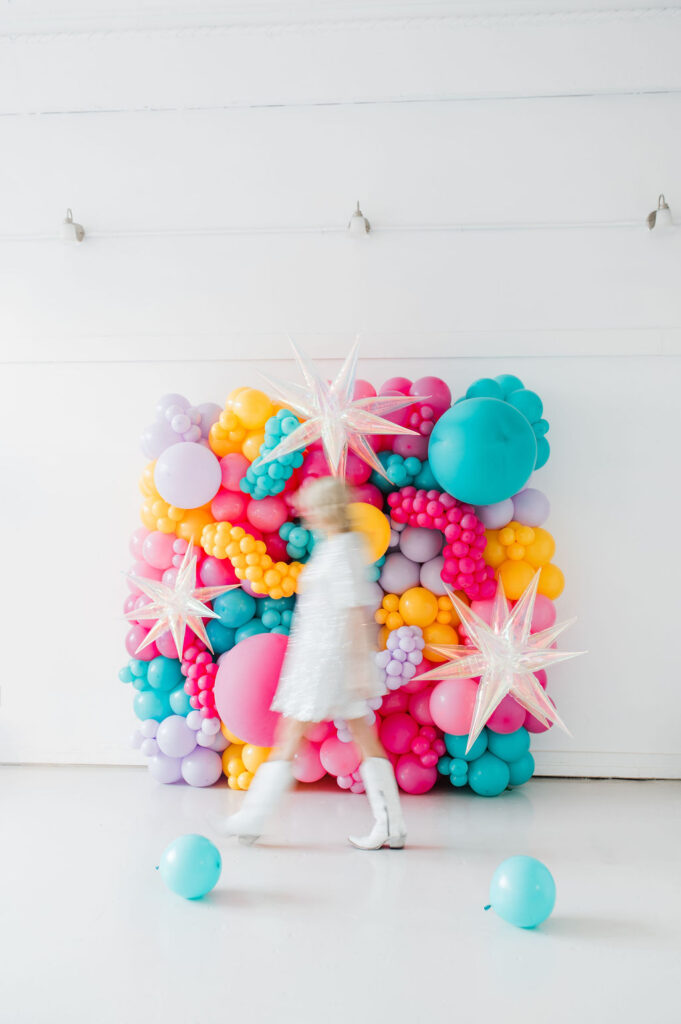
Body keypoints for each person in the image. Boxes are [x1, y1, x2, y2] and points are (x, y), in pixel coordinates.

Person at [212, 475, 406, 850]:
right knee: (359, 737)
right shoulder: (336, 547)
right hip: (322, 658)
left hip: (326, 661)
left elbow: (353, 611)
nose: (307, 514)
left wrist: (357, 668)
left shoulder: (343, 550)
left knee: (290, 736)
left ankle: (252, 817)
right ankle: (390, 825)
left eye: (314, 507)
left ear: (327, 510)